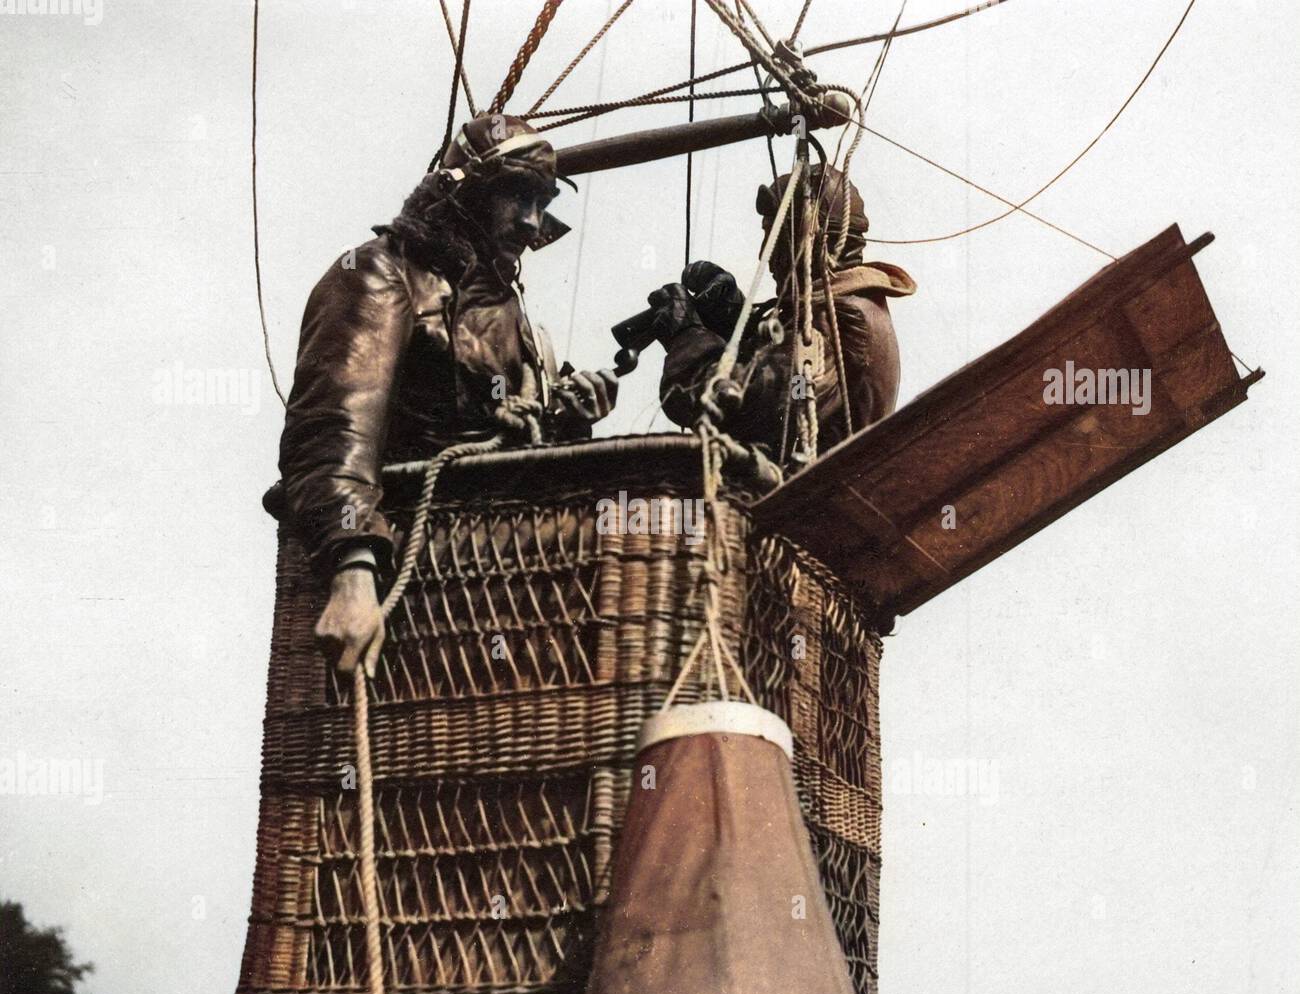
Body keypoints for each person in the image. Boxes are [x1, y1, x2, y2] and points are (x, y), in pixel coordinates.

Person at [276, 115, 618, 677]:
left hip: (507, 588)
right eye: (517, 196)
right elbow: (333, 434)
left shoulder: (520, 323)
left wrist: (568, 423)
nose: (533, 223)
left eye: (543, 201)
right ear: (469, 193)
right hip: (408, 584)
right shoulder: (381, 274)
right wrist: (352, 573)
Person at [650, 164, 915, 465]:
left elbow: (740, 404)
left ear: (808, 235)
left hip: (805, 508)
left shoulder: (840, 319)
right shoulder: (846, 308)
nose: (765, 252)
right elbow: (783, 374)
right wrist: (735, 321)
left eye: (773, 235)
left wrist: (687, 337)